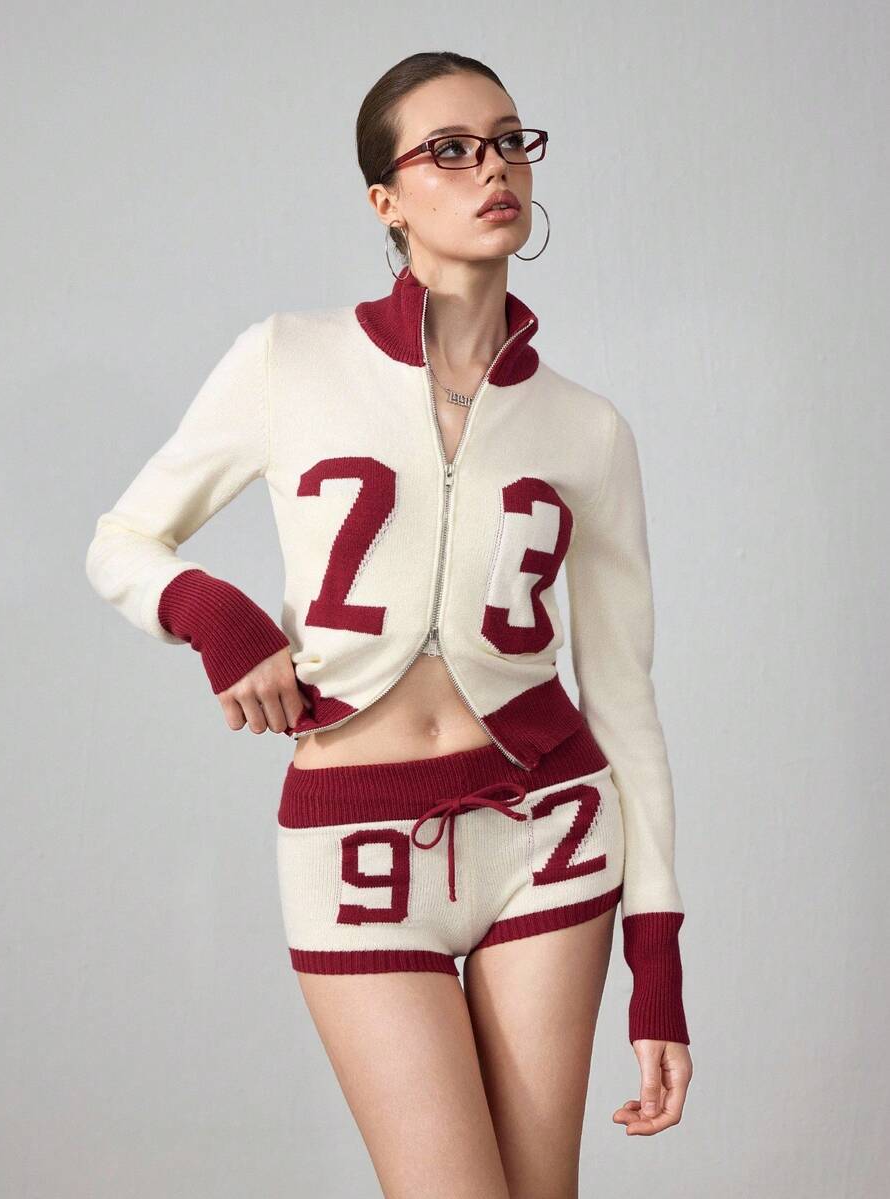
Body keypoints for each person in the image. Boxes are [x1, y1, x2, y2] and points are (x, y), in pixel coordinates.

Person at [85, 50, 693, 1199]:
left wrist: (656, 962)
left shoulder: (586, 429)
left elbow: (625, 701)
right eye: (449, 150)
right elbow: (121, 539)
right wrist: (214, 613)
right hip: (354, 847)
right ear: (386, 199)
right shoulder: (289, 360)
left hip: (551, 836)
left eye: (509, 141)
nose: (492, 168)